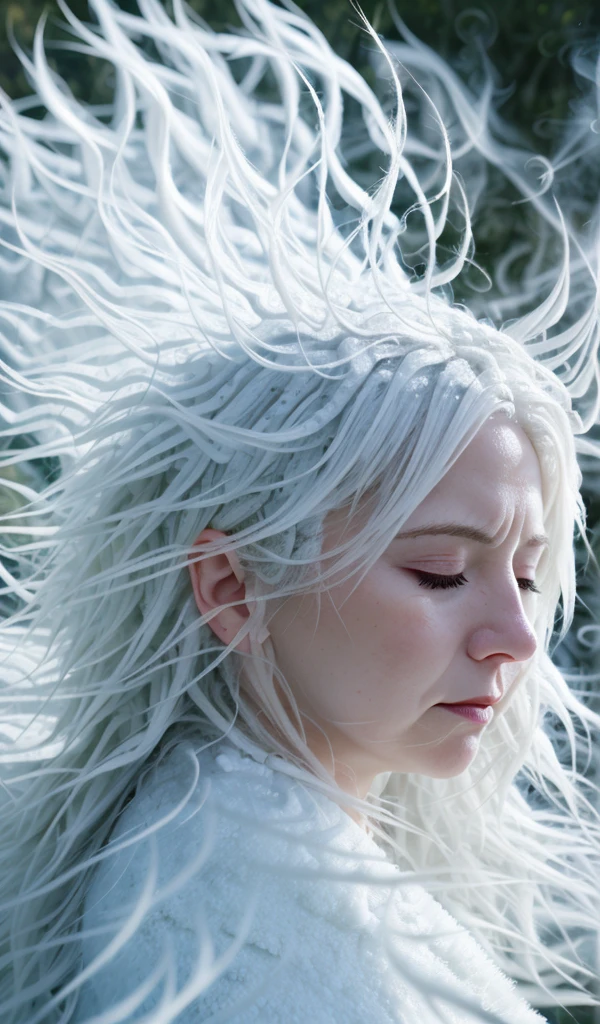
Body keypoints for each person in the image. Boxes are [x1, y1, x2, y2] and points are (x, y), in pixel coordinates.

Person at [0, 0, 599, 1021]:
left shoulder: (242, 860)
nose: (514, 638)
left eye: (530, 573)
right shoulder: (236, 924)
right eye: (441, 572)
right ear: (232, 585)